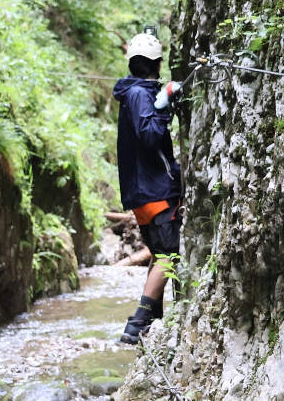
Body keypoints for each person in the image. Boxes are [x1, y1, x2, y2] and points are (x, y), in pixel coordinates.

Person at [113, 31, 183, 344]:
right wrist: (165, 103)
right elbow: (150, 135)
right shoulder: (140, 94)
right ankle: (137, 322)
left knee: (159, 254)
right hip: (155, 190)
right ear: (156, 63)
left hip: (142, 192)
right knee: (168, 256)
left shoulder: (132, 93)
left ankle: (152, 321)